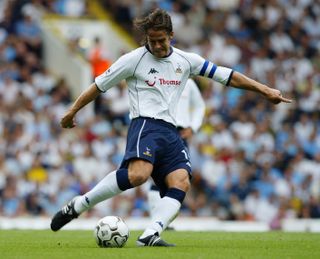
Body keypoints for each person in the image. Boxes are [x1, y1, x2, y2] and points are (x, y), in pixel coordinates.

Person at [50, 9, 292, 246]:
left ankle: (150, 234)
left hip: (170, 131)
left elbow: (226, 75)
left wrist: (265, 90)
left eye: (161, 41)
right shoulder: (133, 60)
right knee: (138, 175)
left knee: (181, 182)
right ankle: (79, 205)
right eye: (152, 41)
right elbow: (98, 85)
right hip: (144, 124)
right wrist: (72, 111)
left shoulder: (186, 60)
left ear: (171, 35)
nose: (156, 46)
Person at [147, 78, 205, 225]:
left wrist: (193, 127)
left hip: (180, 133)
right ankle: (157, 221)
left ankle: (160, 221)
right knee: (156, 175)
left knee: (180, 177)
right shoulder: (156, 78)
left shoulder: (188, 83)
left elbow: (199, 106)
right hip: (158, 131)